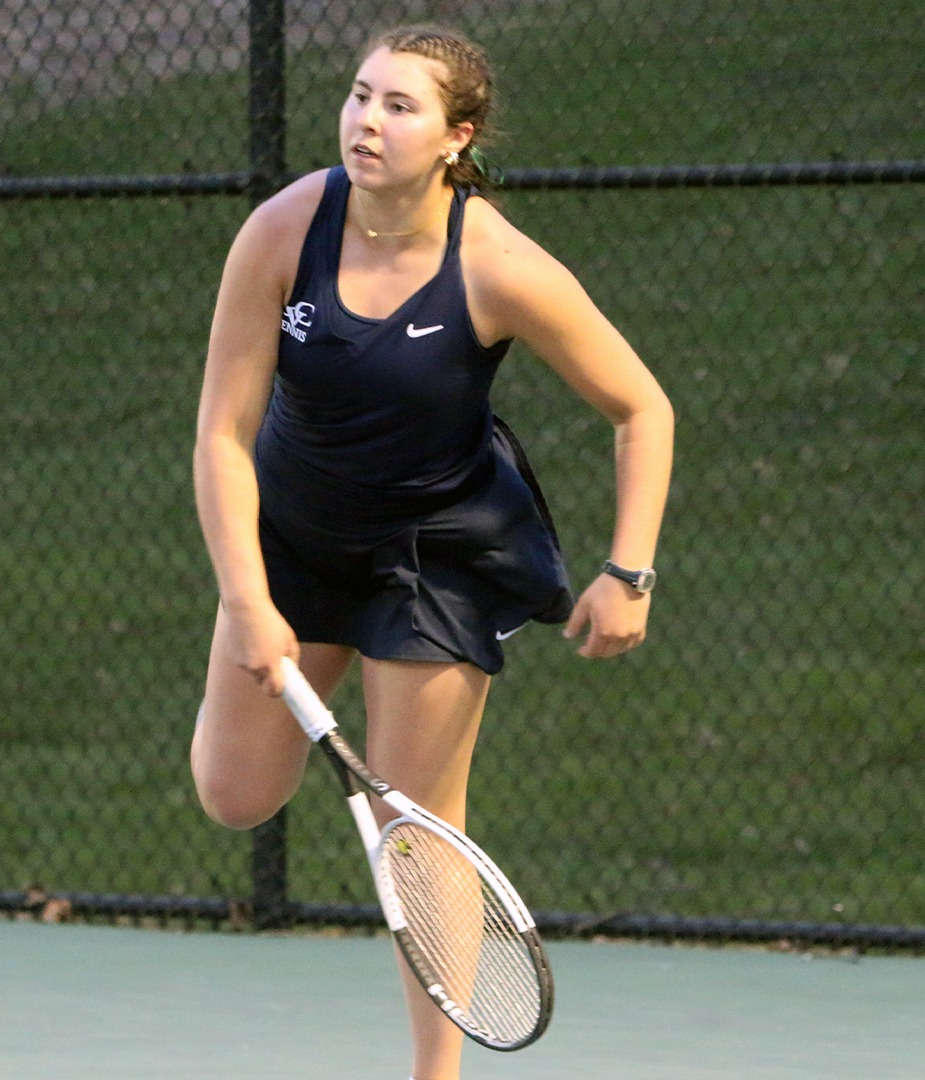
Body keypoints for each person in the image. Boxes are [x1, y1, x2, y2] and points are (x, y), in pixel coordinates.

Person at [190, 23, 673, 1080]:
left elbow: (642, 406)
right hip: (296, 541)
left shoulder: (497, 265)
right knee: (232, 793)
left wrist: (627, 570)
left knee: (418, 828)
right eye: (361, 96)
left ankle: (435, 1075)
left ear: (456, 137)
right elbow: (223, 433)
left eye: (399, 106)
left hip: (435, 556)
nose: (367, 120)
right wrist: (245, 598)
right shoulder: (282, 231)